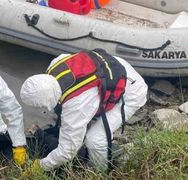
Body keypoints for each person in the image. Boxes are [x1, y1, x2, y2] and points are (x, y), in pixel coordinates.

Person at [19, 49, 148, 172]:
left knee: (95, 139)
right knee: (82, 127)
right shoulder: (55, 64)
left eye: (40, 104)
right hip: (114, 66)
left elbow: (67, 152)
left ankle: (99, 174)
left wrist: (40, 166)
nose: (40, 108)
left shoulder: (77, 105)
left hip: (131, 91)